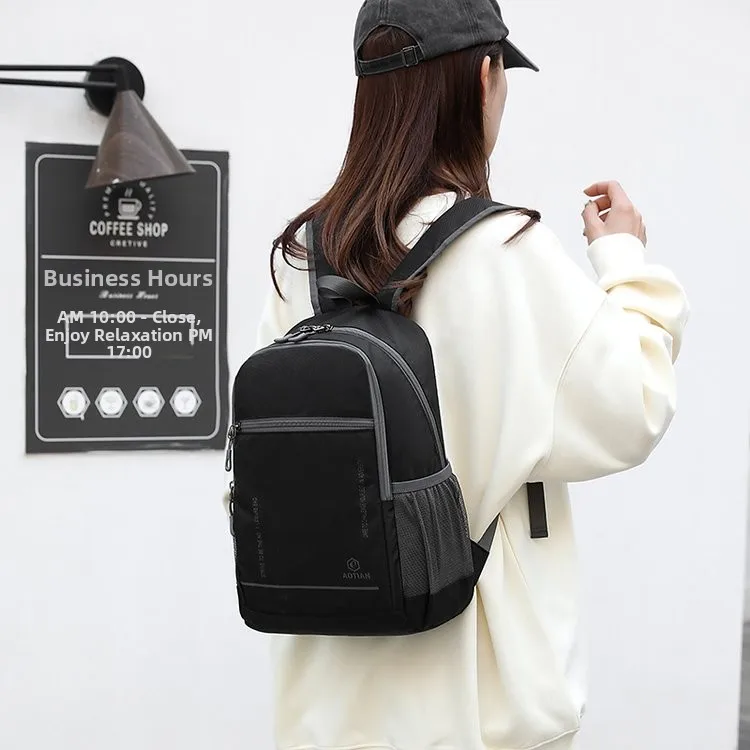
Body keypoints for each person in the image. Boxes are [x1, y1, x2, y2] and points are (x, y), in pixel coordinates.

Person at [234, 1, 690, 748]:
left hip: (325, 709)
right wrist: (625, 261)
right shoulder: (503, 250)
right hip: (472, 714)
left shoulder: (303, 258)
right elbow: (633, 404)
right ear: (484, 76)